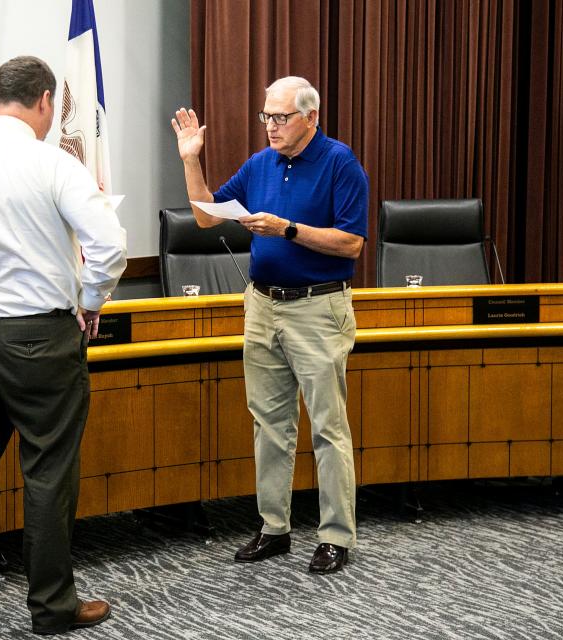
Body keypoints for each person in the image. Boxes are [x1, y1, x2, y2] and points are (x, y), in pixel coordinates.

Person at [0, 56, 126, 634]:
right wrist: (90, 302)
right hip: (40, 336)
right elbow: (109, 247)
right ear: (45, 100)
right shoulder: (52, 164)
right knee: (47, 472)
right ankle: (52, 607)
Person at [171, 76, 368, 574]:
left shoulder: (340, 162)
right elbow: (206, 218)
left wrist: (288, 229)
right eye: (266, 117)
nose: (271, 127)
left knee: (327, 426)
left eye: (281, 117)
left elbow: (352, 244)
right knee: (270, 425)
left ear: (312, 117)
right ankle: (274, 528)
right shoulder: (261, 164)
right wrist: (191, 159)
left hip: (317, 309)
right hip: (261, 306)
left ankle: (335, 536)